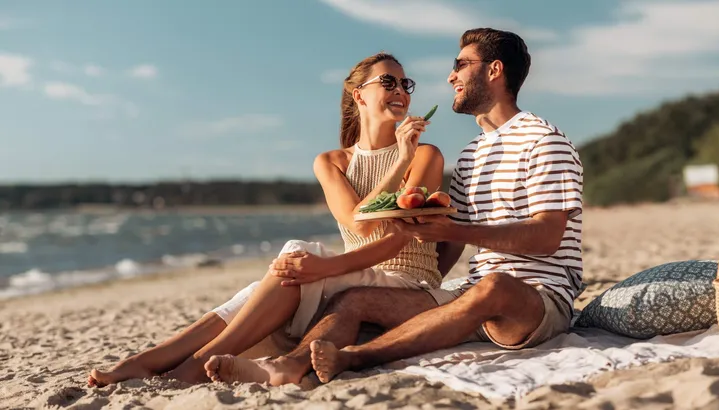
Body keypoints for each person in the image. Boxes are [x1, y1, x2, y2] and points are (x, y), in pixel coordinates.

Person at [203, 27, 584, 385]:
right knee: (354, 299)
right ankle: (290, 365)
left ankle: (354, 357)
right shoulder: (470, 156)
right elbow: (449, 247)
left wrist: (451, 230)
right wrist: (425, 288)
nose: (451, 77)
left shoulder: (543, 140)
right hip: (469, 295)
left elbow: (546, 237)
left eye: (461, 65)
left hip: (538, 298)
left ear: (495, 70)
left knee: (494, 286)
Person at [87, 52, 447, 387]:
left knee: (292, 259)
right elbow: (357, 223)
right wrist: (324, 267)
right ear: (359, 95)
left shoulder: (425, 156)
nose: (400, 91)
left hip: (406, 281)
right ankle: (150, 359)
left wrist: (403, 159)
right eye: (388, 82)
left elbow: (395, 238)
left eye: (405, 84)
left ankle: (186, 364)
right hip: (349, 274)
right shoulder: (331, 162)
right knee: (268, 282)